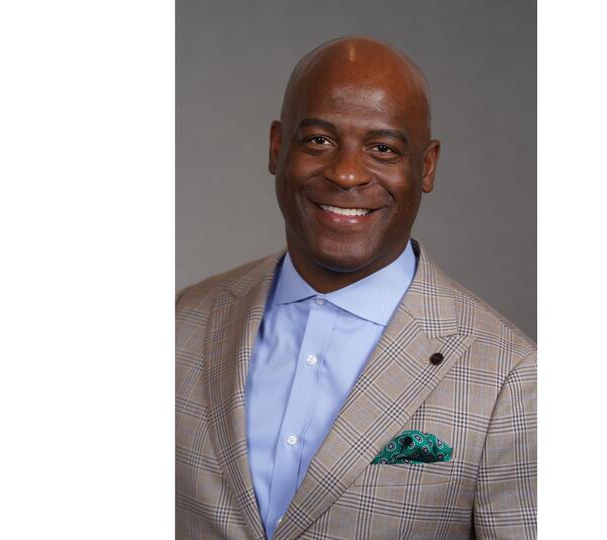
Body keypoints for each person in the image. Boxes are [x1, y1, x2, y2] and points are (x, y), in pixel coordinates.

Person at [176, 36, 536, 539]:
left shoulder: (510, 378)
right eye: (319, 140)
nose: (346, 173)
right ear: (278, 147)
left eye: (383, 149)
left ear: (426, 167)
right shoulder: (184, 319)